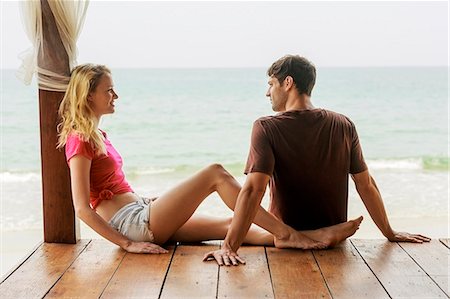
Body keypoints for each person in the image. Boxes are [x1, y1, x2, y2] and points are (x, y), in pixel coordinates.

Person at [57, 63, 362, 255]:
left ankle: (313, 237)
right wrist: (128, 243)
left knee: (232, 224)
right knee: (215, 173)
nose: (116, 96)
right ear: (88, 96)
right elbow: (83, 208)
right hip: (133, 225)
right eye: (109, 91)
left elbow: (112, 188)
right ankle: (288, 233)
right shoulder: (79, 139)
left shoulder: (97, 136)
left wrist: (148, 201)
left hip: (140, 210)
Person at [203, 55, 431, 266]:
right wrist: (389, 232)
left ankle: (290, 236)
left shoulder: (266, 127)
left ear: (288, 83)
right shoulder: (344, 124)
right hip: (334, 234)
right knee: (206, 225)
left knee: (199, 227)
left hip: (285, 235)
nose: (267, 92)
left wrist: (229, 247)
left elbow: (253, 190)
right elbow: (365, 184)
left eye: (271, 84)